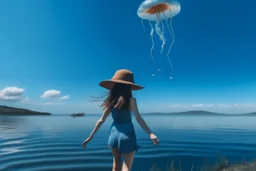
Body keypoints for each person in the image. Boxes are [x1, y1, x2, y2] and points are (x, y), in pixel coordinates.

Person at [82, 69, 159, 171]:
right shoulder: (131, 100)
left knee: (116, 166)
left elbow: (101, 120)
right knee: (126, 167)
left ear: (114, 85)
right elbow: (138, 118)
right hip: (127, 134)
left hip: (113, 134)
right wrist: (150, 134)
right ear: (129, 87)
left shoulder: (111, 101)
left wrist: (90, 137)